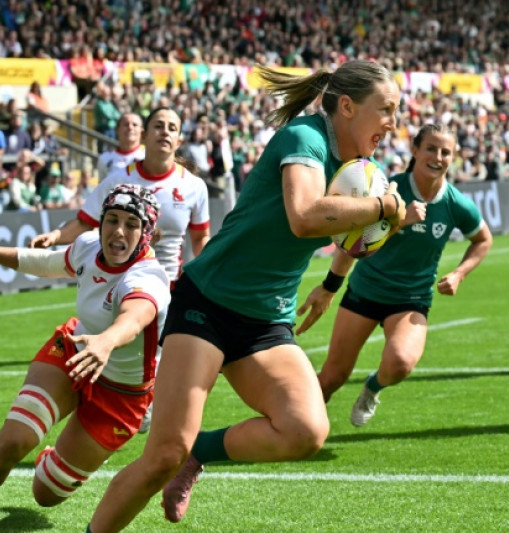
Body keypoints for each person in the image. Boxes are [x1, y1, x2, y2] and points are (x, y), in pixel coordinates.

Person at [86, 59, 406, 532]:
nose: (393, 123)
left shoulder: (359, 169)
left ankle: (200, 454)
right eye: (386, 110)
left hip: (266, 320)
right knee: (161, 456)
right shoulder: (305, 138)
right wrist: (381, 206)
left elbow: (350, 238)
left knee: (306, 431)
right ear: (346, 106)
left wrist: (336, 279)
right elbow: (303, 215)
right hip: (208, 304)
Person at [0, 184, 170, 533]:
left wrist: (106, 342)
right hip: (74, 352)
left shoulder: (148, 276)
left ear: (146, 233)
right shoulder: (88, 247)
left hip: (124, 394)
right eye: (112, 220)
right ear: (100, 223)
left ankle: (53, 461)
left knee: (46, 494)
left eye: (131, 224)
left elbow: (134, 317)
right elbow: (45, 262)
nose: (118, 231)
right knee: (15, 438)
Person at [32, 107, 212, 433]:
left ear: (180, 138)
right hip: (122, 286)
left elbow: (200, 237)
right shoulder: (119, 179)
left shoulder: (193, 187)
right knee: (125, 367)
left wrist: (207, 281)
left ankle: (123, 422)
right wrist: (56, 236)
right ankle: (96, 417)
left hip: (170, 290)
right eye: (158, 125)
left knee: (166, 377)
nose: (165, 132)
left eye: (172, 127)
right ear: (144, 135)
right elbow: (86, 222)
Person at [298, 124, 492, 426]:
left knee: (400, 363)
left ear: (453, 158)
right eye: (430, 148)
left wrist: (459, 274)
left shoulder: (455, 203)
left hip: (411, 299)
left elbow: (483, 239)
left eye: (445, 152)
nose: (437, 157)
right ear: (415, 150)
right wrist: (398, 221)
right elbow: (356, 245)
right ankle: (296, 424)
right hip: (365, 292)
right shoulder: (386, 190)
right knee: (333, 376)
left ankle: (372, 388)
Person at [96, 113, 144, 182]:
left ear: (142, 131)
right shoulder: (104, 158)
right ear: (117, 130)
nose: (130, 128)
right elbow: (102, 190)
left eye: (135, 125)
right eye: (126, 124)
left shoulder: (148, 156)